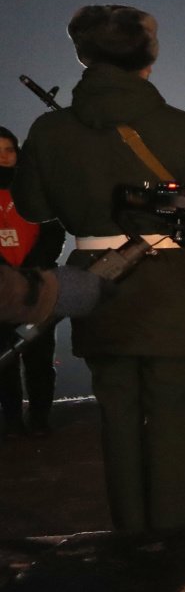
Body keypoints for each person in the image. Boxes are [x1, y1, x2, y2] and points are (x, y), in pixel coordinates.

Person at [11, 3, 185, 530]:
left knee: (116, 410)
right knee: (171, 409)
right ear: (147, 58)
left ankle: (129, 528)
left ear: (83, 56)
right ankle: (172, 530)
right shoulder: (181, 128)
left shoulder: (50, 130)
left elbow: (32, 206)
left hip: (95, 281)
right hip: (174, 286)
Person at [1, 126, 64, 436]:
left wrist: (29, 270)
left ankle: (40, 418)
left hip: (38, 285)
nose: (3, 157)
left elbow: (54, 233)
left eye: (9, 149)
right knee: (4, 359)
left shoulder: (36, 189)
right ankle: (11, 419)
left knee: (39, 357)